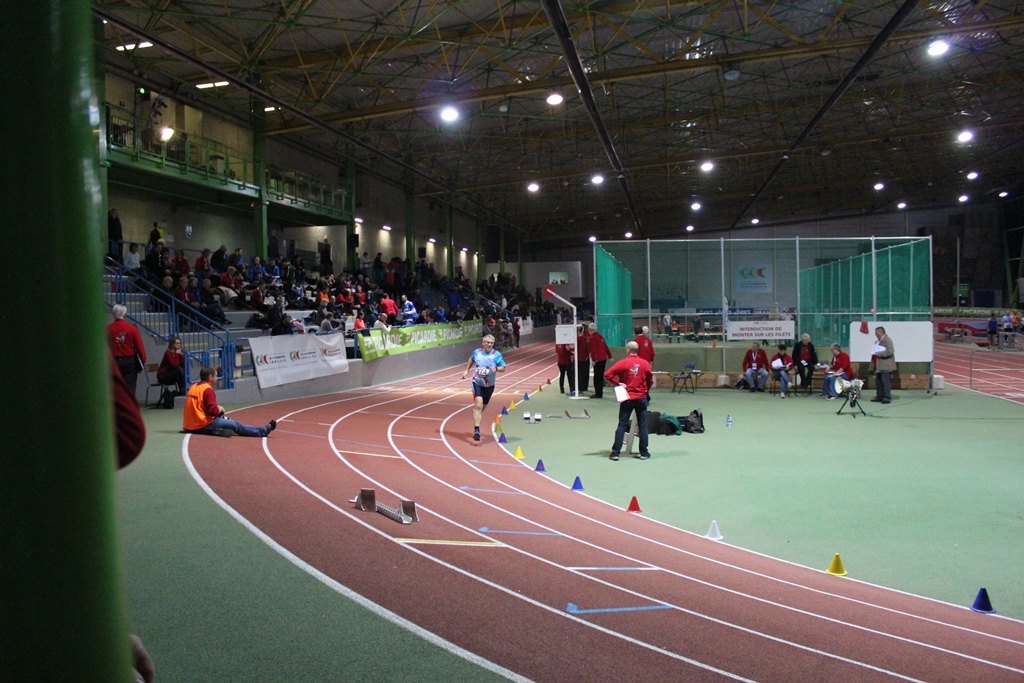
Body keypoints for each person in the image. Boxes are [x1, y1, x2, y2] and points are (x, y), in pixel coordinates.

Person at [183, 366, 277, 437]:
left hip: (188, 425)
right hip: (200, 425)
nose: (217, 378)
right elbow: (212, 411)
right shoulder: (207, 390)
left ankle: (216, 430)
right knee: (235, 424)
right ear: (210, 377)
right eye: (216, 376)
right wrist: (219, 408)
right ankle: (263, 431)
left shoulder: (193, 387)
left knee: (225, 420)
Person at [604, 341, 653, 461]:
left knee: (622, 424)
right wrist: (645, 391)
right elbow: (650, 380)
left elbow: (608, 374)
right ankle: (644, 453)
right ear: (638, 350)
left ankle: (616, 453)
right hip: (641, 397)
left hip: (627, 397)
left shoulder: (623, 363)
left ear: (628, 350)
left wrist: (618, 383)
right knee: (642, 425)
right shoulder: (645, 363)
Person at [461, 334, 506, 442]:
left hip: (489, 385)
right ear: (483, 343)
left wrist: (496, 368)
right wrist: (467, 370)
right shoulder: (477, 352)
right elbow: (471, 359)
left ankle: (476, 416)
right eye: (487, 342)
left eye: (491, 343)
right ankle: (476, 430)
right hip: (477, 383)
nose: (489, 345)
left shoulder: (496, 355)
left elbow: (503, 368)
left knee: (481, 408)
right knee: (478, 404)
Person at [108, 304, 146, 396]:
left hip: (113, 362)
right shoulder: (132, 329)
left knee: (115, 387)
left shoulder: (107, 329)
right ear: (125, 315)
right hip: (129, 361)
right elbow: (140, 348)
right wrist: (142, 362)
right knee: (129, 389)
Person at [156, 336, 185, 408]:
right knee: (179, 370)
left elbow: (183, 365)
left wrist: (181, 356)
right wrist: (178, 355)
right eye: (177, 343)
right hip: (163, 375)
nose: (179, 345)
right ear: (172, 344)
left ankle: (182, 391)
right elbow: (174, 365)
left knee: (181, 371)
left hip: (171, 374)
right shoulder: (168, 353)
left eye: (180, 343)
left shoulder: (178, 353)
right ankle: (182, 390)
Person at [871, 326, 896, 404]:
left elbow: (890, 351)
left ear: (880, 332)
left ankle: (887, 397)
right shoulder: (877, 342)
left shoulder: (888, 340)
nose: (875, 335)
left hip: (886, 365)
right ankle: (879, 396)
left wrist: (879, 354)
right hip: (879, 365)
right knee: (879, 382)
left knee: (885, 382)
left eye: (876, 333)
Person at [588, 323, 612, 399]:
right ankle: (600, 392)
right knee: (600, 376)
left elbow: (593, 349)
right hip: (603, 358)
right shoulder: (600, 336)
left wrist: (594, 359)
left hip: (598, 359)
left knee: (597, 377)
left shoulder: (593, 338)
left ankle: (598, 393)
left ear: (590, 330)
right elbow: (606, 347)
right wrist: (610, 356)